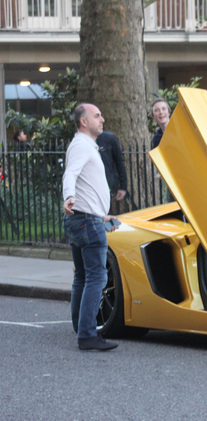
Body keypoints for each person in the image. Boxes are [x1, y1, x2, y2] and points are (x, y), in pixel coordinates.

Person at [62, 103, 120, 351]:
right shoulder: (81, 146)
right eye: (97, 115)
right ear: (84, 121)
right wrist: (69, 196)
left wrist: (101, 214)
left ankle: (81, 327)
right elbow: (70, 174)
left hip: (86, 217)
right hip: (86, 220)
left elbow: (85, 183)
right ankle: (86, 334)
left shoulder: (84, 145)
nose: (102, 119)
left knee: (83, 276)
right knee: (97, 276)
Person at [96, 131, 127, 213]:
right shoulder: (81, 142)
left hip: (107, 187)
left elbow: (120, 162)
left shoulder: (109, 139)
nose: (101, 120)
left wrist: (123, 187)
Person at [150, 98, 174, 202]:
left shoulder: (178, 129)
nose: (161, 112)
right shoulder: (156, 139)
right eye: (157, 110)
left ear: (168, 112)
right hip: (173, 182)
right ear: (153, 115)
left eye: (163, 109)